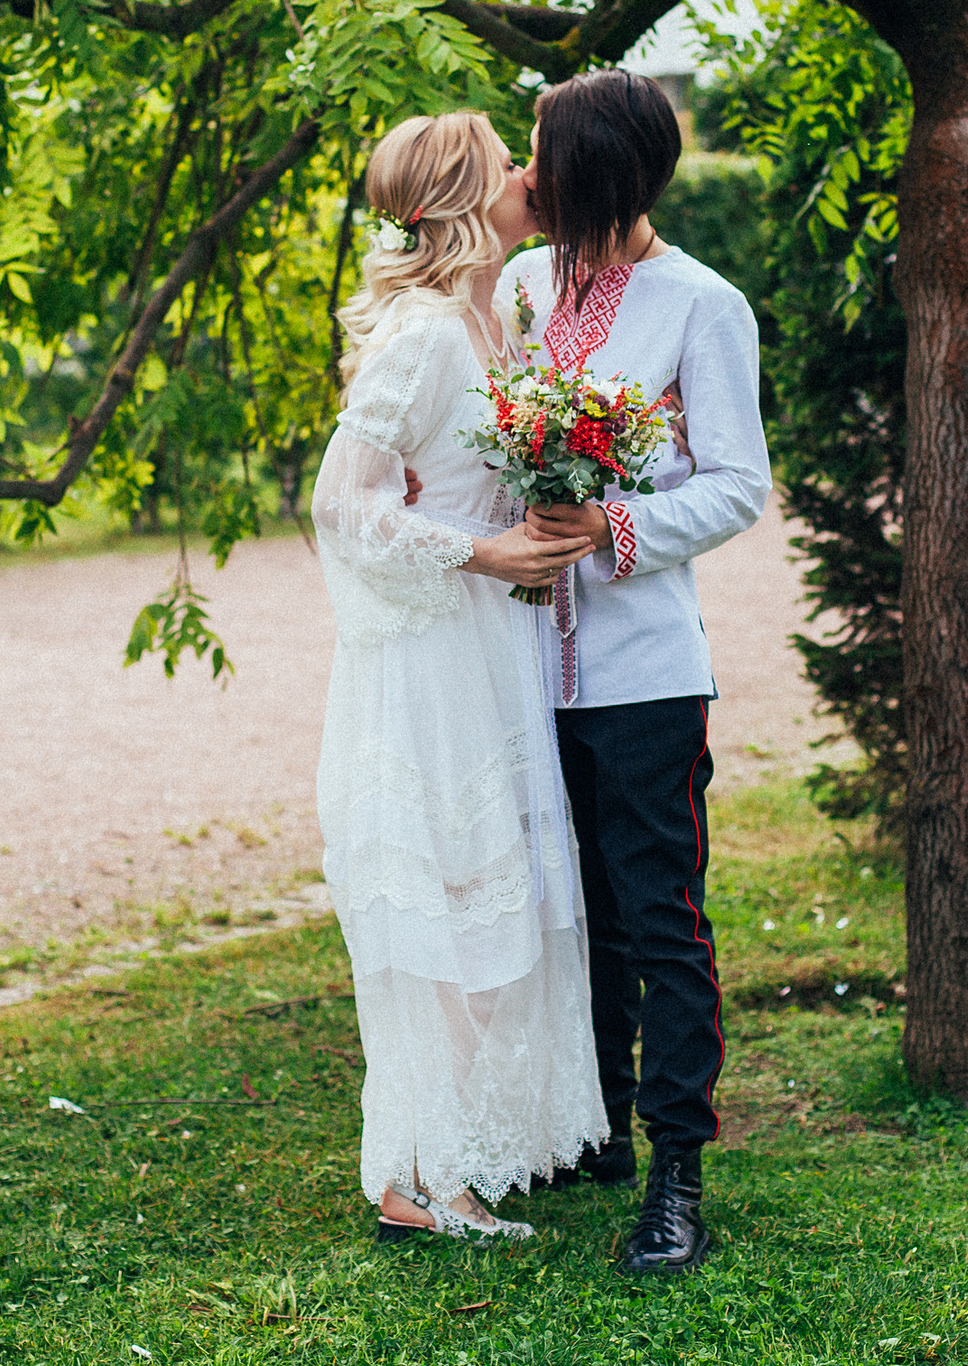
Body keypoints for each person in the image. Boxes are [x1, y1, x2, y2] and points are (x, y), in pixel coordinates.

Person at [311, 110, 610, 1241]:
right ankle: (413, 1176)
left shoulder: (495, 319)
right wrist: (480, 551)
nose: (530, 177)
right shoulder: (426, 333)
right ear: (461, 200)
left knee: (497, 906)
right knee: (446, 908)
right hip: (430, 655)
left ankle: (442, 1166)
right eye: (508, 166)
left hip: (488, 646)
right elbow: (343, 503)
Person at [496, 69, 772, 1276]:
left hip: (643, 665)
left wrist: (611, 529)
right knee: (568, 908)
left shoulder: (703, 306)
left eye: (541, 150)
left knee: (657, 913)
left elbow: (736, 483)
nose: (526, 168)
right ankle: (590, 1123)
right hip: (513, 664)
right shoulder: (510, 290)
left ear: (591, 169)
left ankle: (675, 1172)